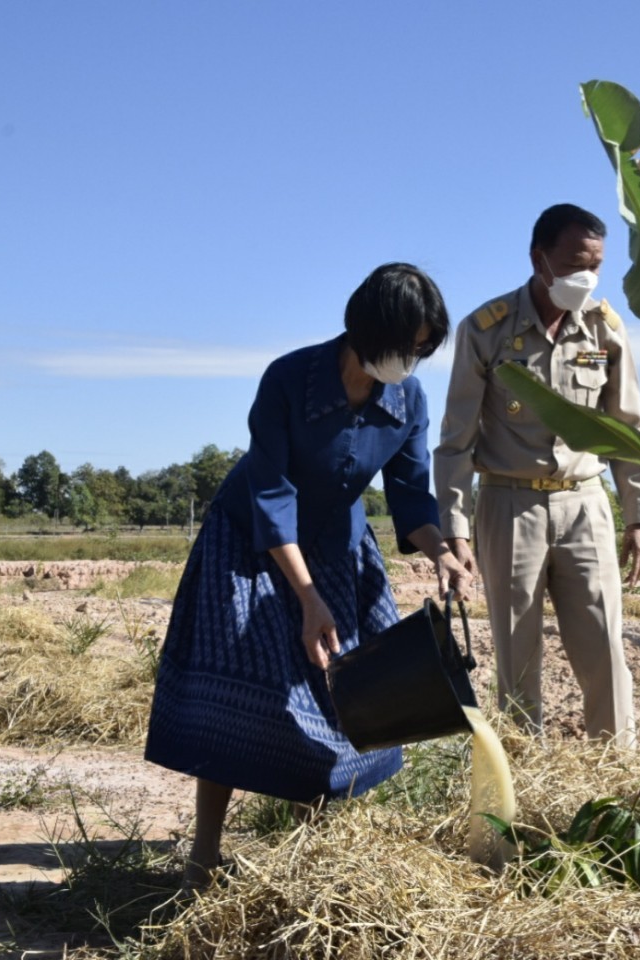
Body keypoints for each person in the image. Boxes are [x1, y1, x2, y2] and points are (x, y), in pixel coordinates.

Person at [146, 262, 472, 888]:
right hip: (252, 545)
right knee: (238, 693)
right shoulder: (291, 379)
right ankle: (204, 857)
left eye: (424, 349)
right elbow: (272, 492)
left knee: (340, 694)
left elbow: (409, 496)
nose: (413, 360)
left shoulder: (407, 399)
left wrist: (440, 553)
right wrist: (306, 599)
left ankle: (307, 855)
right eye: (408, 346)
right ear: (368, 330)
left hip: (338, 547)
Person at [434, 203, 640, 747]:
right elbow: (456, 441)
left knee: (606, 648)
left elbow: (628, 426)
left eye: (597, 265)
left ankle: (616, 778)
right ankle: (521, 787)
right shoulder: (486, 330)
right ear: (540, 260)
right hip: (510, 507)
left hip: (585, 504)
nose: (588, 277)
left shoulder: (605, 329)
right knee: (516, 658)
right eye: (576, 263)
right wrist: (455, 529)